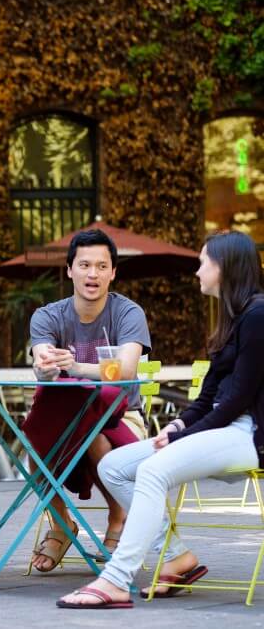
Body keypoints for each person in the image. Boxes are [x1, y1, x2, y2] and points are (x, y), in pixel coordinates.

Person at [57, 230, 264, 609]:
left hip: (249, 435)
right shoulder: (234, 320)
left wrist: (185, 437)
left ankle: (116, 580)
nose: (198, 271)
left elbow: (238, 400)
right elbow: (210, 396)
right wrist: (178, 426)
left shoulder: (259, 317)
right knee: (115, 465)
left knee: (153, 471)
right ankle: (175, 556)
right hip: (224, 429)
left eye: (204, 262)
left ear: (226, 267)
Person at [25, 228, 150, 573]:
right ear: (69, 270)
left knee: (94, 439)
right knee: (35, 451)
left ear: (113, 272)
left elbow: (125, 371)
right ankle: (62, 526)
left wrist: (77, 365)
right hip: (67, 415)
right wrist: (47, 365)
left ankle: (118, 519)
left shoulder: (128, 313)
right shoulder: (48, 315)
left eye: (101, 266)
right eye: (84, 265)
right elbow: (42, 360)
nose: (92, 274)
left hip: (123, 417)